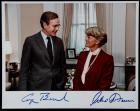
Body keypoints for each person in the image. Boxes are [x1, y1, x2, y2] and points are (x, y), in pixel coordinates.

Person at [18, 11, 67, 91]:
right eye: (54, 26)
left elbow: (63, 66)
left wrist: (62, 83)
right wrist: (22, 92)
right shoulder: (30, 41)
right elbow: (24, 70)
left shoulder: (59, 42)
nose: (57, 29)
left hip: (57, 87)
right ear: (44, 25)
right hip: (37, 88)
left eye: (58, 25)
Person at [73, 26, 114, 91]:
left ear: (97, 41)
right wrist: (77, 93)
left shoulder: (107, 59)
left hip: (95, 97)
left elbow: (104, 84)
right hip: (78, 95)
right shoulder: (82, 55)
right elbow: (76, 77)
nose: (86, 39)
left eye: (89, 37)